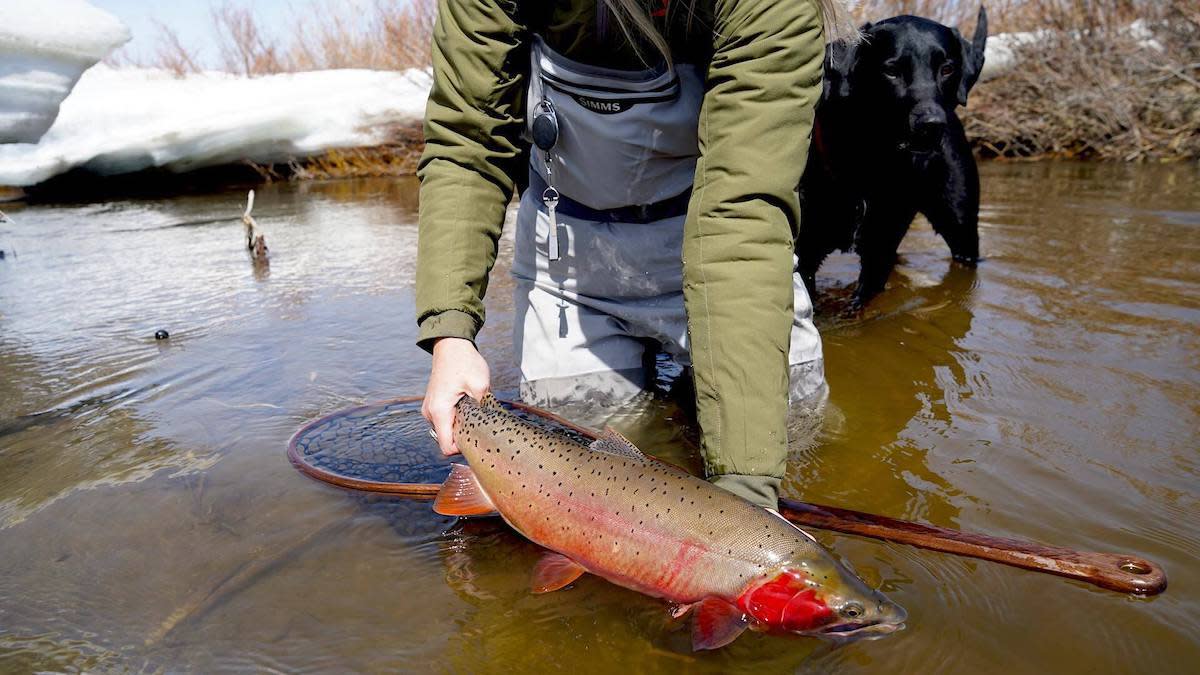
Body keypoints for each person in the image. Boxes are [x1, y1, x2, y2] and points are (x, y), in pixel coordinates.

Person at [417, 0, 847, 510]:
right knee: (578, 478)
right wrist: (450, 335)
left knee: (796, 434)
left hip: (719, 248)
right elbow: (468, 140)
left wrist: (746, 494)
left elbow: (743, 217)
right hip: (568, 260)